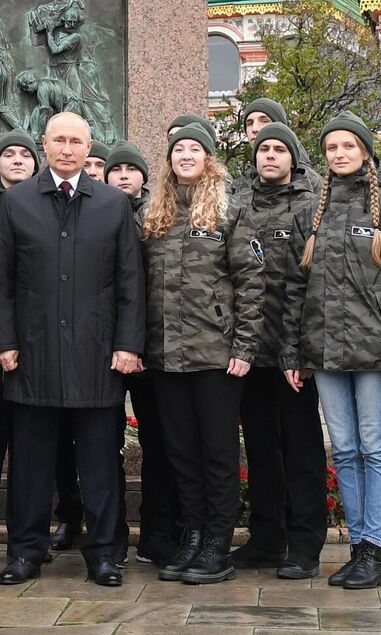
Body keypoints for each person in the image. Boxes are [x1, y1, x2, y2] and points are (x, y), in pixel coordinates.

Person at [0, 111, 144, 588]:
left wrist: (127, 345)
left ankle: (102, 555)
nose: (68, 149)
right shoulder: (16, 202)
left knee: (98, 463)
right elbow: (1, 281)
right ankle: (26, 552)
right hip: (32, 356)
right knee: (32, 463)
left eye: (77, 141)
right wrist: (5, 342)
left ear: (88, 146)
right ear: (45, 144)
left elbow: (130, 283)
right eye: (59, 140)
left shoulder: (114, 205)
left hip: (97, 357)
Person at [278, 113, 381, 592]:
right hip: (322, 353)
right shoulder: (310, 215)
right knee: (343, 449)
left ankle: (371, 551)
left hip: (373, 353)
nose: (339, 154)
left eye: (348, 146)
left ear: (365, 151)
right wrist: (292, 353)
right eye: (331, 148)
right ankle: (357, 548)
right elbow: (294, 289)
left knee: (374, 447)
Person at [139, 125, 264, 586]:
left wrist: (245, 345)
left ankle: (217, 541)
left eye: (195, 149)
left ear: (209, 159)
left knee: (216, 453)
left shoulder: (230, 212)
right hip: (167, 355)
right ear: (169, 160)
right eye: (178, 149)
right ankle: (191, 534)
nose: (186, 155)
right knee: (181, 452)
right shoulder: (156, 215)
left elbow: (252, 284)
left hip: (217, 354)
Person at [233, 121, 328, 580]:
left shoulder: (313, 205)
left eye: (279, 149)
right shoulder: (237, 204)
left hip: (294, 352)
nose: (269, 155)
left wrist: (301, 347)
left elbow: (313, 282)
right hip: (250, 349)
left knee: (302, 447)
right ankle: (268, 537)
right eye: (263, 149)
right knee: (262, 448)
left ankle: (306, 541)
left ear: (294, 157)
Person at [0, 128, 42, 558]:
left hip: (33, 343)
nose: (17, 160)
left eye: (25, 155)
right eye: (9, 155)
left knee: (29, 448)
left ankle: (25, 535)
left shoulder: (46, 205)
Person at [104, 143, 173, 567]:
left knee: (159, 444)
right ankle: (109, 534)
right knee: (103, 443)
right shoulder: (96, 213)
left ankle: (157, 532)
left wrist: (142, 343)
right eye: (117, 170)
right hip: (104, 351)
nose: (125, 176)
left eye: (132, 169)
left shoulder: (157, 217)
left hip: (149, 352)